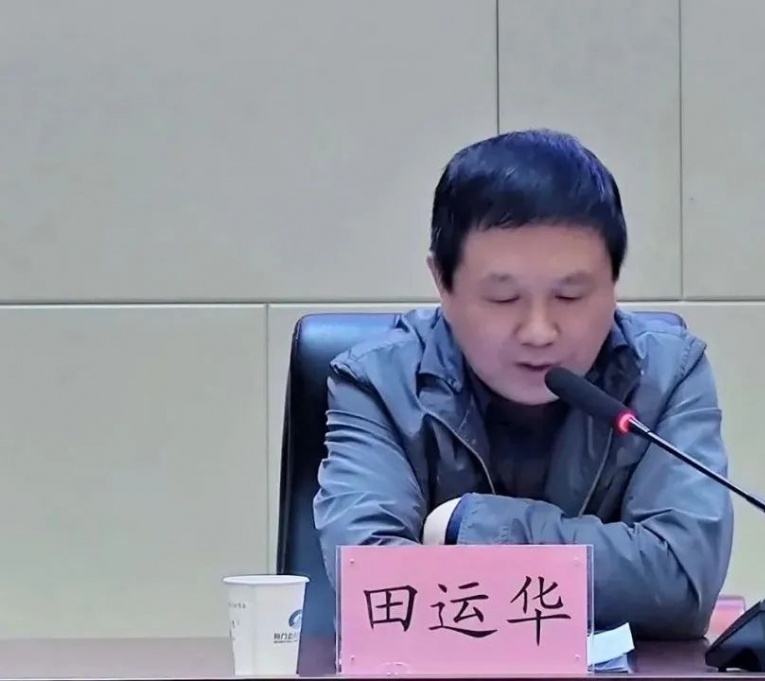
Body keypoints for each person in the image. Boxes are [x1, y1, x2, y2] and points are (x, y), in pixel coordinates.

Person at [313, 129, 734, 640]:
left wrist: (469, 525)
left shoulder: (668, 374)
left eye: (570, 296)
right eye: (503, 299)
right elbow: (372, 582)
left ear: (614, 282)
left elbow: (681, 582)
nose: (539, 332)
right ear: (442, 282)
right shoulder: (377, 383)